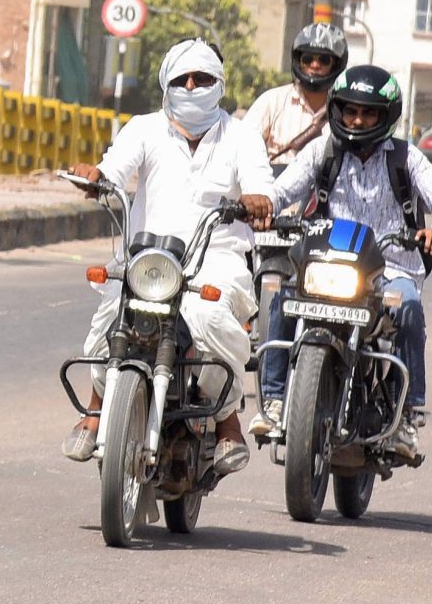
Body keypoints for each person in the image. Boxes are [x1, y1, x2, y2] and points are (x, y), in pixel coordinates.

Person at [60, 39, 274, 465]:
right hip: (150, 257)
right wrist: (94, 177)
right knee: (111, 313)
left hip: (215, 258)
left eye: (203, 79)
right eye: (183, 79)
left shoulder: (241, 136)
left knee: (214, 322)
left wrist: (258, 200)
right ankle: (97, 408)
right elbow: (114, 167)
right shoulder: (144, 128)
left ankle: (228, 418)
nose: (192, 87)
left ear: (219, 84)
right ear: (166, 85)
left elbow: (260, 181)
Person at [261, 64, 432, 462]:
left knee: (407, 308)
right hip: (327, 263)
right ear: (337, 110)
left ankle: (407, 414)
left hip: (390, 270)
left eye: (368, 113)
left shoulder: (408, 158)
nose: (357, 120)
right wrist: (265, 204)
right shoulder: (323, 149)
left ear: (386, 116)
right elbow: (284, 187)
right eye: (351, 110)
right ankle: (274, 401)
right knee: (283, 297)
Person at [242, 22, 347, 443]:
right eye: (309, 58)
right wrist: (257, 200)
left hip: (321, 227)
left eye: (324, 60)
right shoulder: (271, 103)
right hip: (267, 221)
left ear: (337, 66)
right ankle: (267, 394)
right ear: (297, 62)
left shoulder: (348, 110)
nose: (316, 66)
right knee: (264, 289)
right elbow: (246, 153)